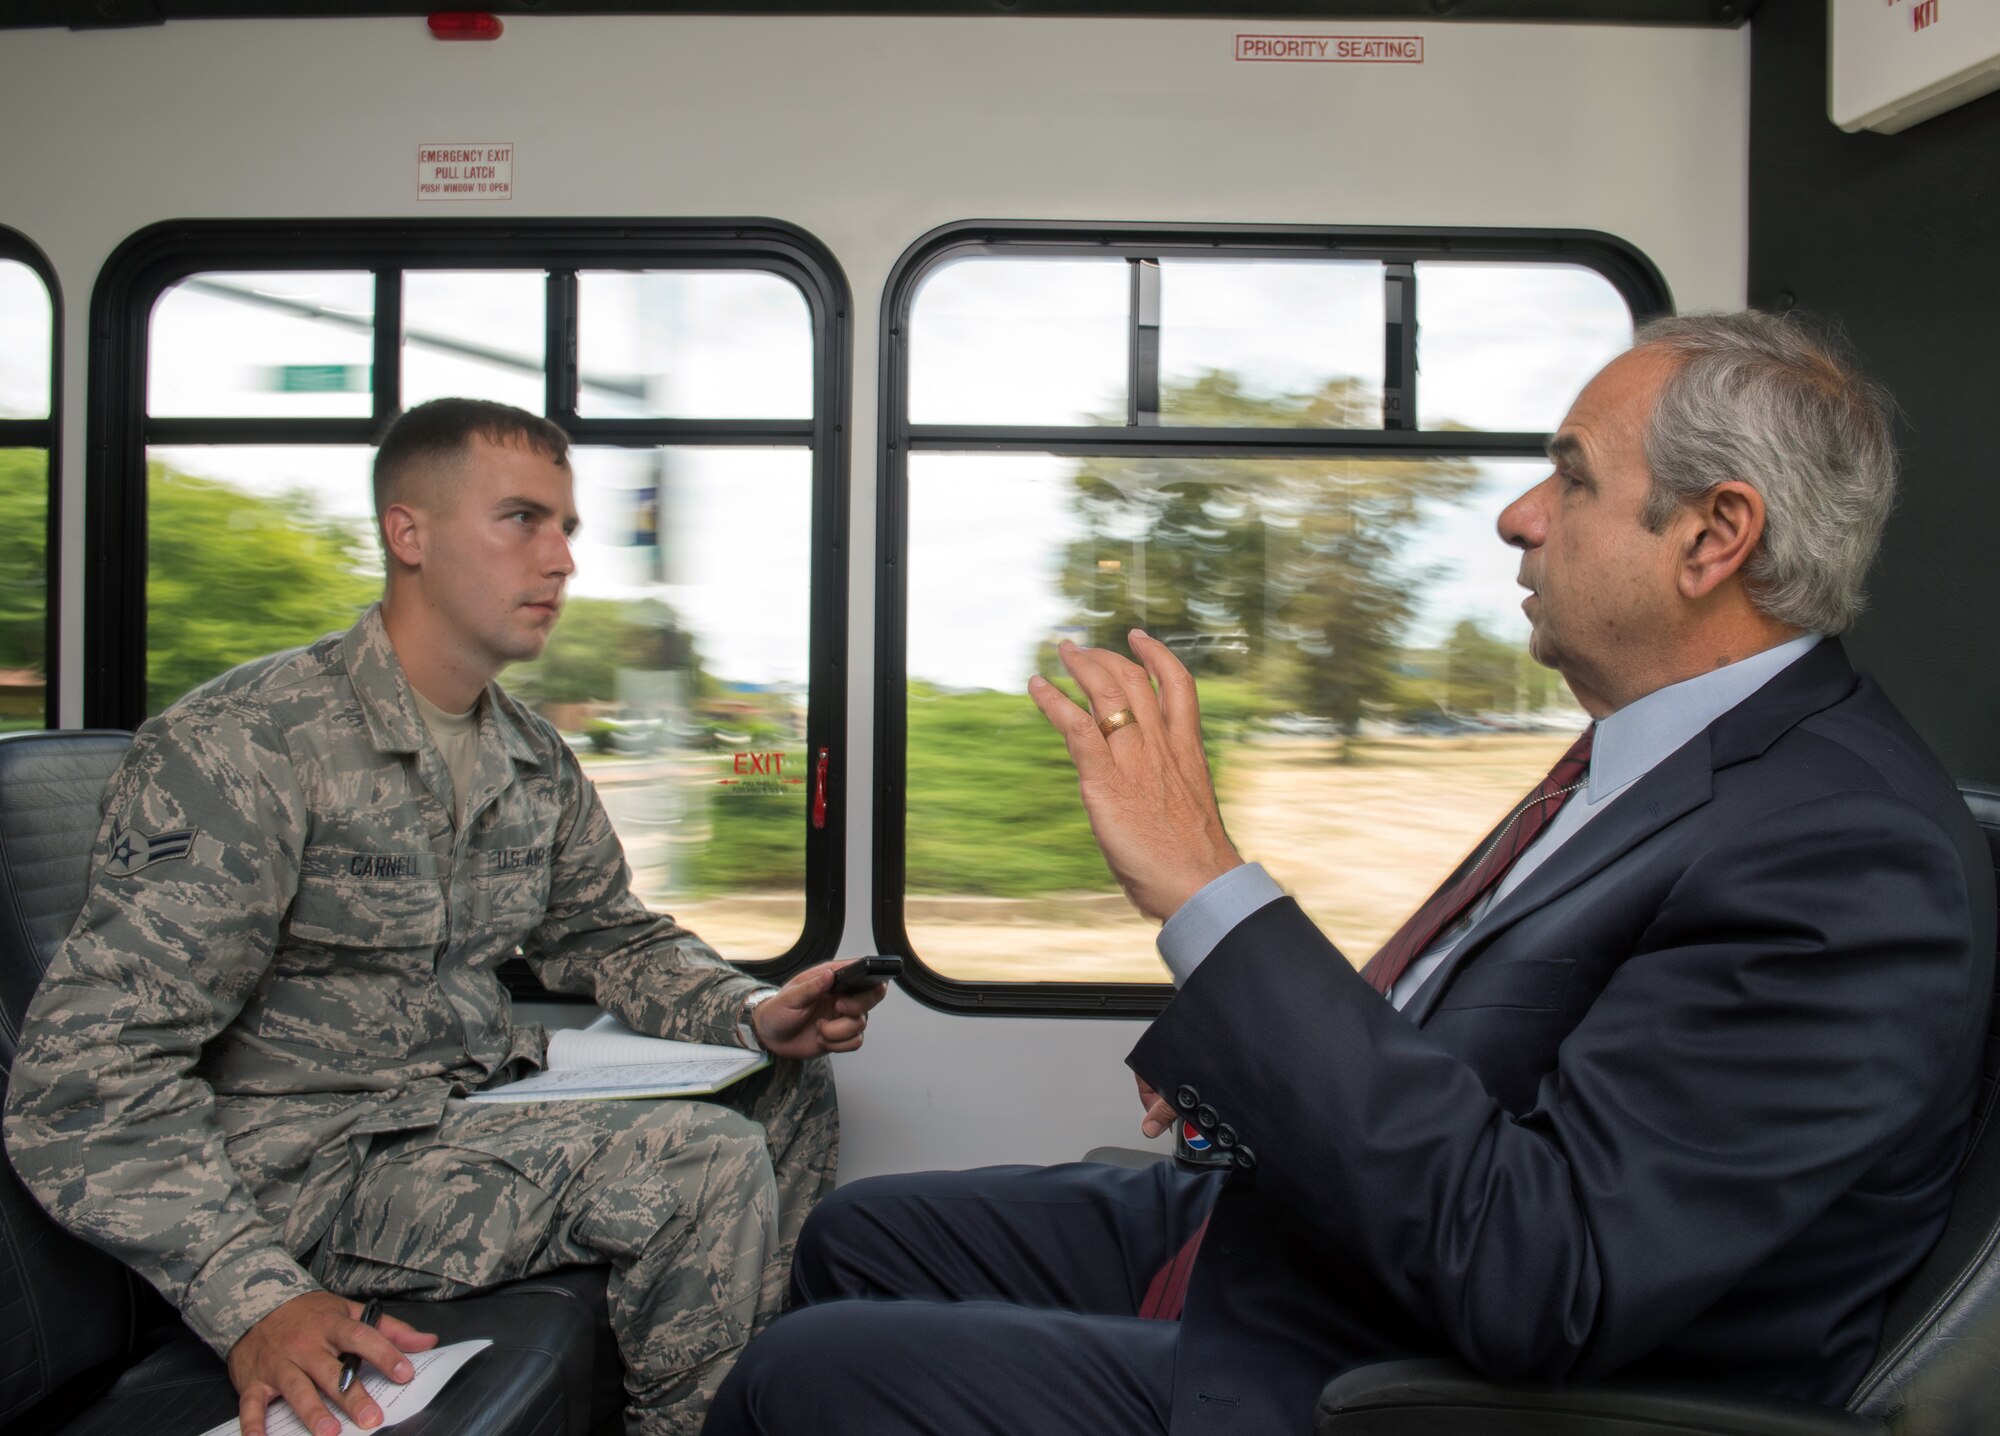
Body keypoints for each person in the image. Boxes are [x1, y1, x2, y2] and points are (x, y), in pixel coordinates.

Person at [701, 312, 1995, 1435]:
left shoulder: (1846, 856)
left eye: (1570, 477)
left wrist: (1207, 895)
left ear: (1713, 538)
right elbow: (1480, 1030)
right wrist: (1242, 1055)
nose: (1517, 516)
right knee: (855, 1234)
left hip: (1407, 1383)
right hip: (1341, 1245)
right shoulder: (1655, 763)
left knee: (803, 1376)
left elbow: (1545, 1274)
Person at [4, 398, 886, 1436]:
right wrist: (252, 1297)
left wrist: (751, 1013)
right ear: (407, 533)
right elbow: (82, 1080)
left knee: (791, 1081)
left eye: (568, 528)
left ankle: (737, 1393)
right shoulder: (248, 746)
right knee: (699, 1164)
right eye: (522, 519)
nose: (561, 559)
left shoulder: (526, 754)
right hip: (305, 1170)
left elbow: (606, 932)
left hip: (451, 1115)